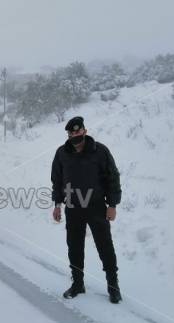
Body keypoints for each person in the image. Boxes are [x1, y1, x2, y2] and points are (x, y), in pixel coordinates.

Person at [50, 116, 123, 303]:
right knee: (74, 246)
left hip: (96, 206)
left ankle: (113, 287)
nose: (75, 135)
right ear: (68, 134)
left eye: (77, 131)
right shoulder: (62, 153)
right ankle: (78, 284)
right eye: (71, 133)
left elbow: (112, 178)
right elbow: (57, 180)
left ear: (85, 131)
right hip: (73, 207)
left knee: (105, 246)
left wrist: (112, 205)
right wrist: (57, 204)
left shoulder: (100, 151)